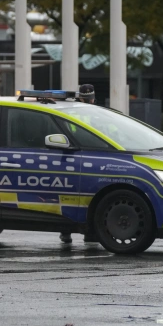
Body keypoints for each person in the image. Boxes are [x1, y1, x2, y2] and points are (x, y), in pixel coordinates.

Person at [60, 84, 97, 244]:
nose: (89, 101)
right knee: (70, 196)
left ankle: (88, 232)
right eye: (85, 98)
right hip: (73, 156)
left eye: (90, 98)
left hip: (90, 157)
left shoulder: (97, 112)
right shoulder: (72, 111)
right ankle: (66, 230)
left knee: (89, 197)